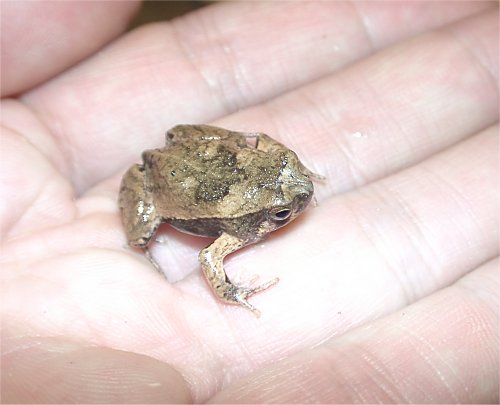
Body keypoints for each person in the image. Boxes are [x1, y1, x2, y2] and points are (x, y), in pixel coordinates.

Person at [1, 1, 498, 403]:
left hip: (210, 165)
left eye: (292, 174)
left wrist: (282, 170)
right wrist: (231, 293)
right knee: (140, 235)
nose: (297, 204)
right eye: (282, 213)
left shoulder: (269, 174)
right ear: (259, 220)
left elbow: (260, 142)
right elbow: (208, 258)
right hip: (165, 183)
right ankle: (145, 240)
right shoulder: (235, 230)